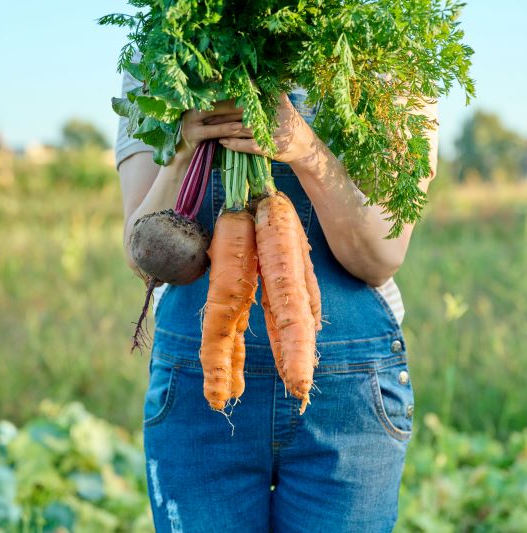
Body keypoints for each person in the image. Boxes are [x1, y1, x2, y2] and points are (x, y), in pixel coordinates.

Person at [116, 64, 439, 532]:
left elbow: (380, 257)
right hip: (200, 385)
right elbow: (140, 253)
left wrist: (306, 151)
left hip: (346, 394)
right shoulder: (164, 53)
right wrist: (181, 150)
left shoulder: (386, 48)